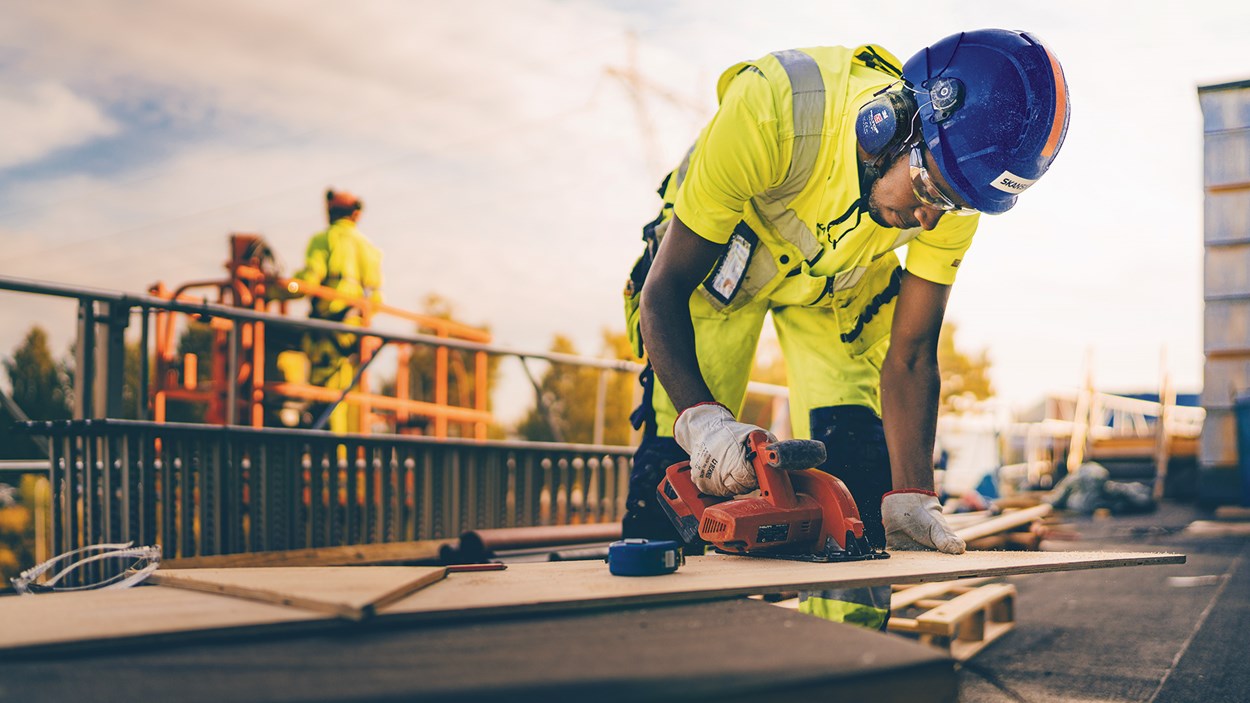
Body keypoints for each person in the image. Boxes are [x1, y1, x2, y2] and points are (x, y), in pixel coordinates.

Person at [621, 30, 1070, 628]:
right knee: (676, 475)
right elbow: (664, 292)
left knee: (857, 481)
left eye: (956, 204)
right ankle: (660, 649)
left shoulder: (955, 182)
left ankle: (844, 663)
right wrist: (703, 425)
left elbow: (911, 356)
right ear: (890, 124)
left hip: (834, 292)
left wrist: (913, 492)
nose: (931, 217)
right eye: (931, 189)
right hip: (715, 273)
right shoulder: (773, 108)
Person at [279, 189, 383, 434]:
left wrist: (277, 289)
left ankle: (328, 459)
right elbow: (376, 297)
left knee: (325, 399)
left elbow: (307, 283)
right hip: (352, 335)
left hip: (326, 334)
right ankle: (343, 459)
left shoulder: (323, 240)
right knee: (346, 396)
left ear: (330, 212)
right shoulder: (369, 249)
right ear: (355, 215)